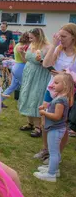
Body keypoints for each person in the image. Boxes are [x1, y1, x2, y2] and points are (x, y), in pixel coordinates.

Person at [34, 23, 76, 163]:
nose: (61, 39)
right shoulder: (58, 49)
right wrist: (53, 45)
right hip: (51, 89)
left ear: (73, 37)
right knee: (45, 119)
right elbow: (46, 64)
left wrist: (65, 75)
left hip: (66, 94)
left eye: (64, 36)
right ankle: (46, 149)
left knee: (61, 124)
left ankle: (55, 154)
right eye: (59, 36)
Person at [34, 73, 74, 182]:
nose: (53, 85)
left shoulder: (61, 100)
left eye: (56, 83)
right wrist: (46, 107)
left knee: (53, 151)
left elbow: (57, 116)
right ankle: (54, 169)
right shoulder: (60, 97)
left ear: (65, 85)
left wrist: (43, 112)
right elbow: (54, 108)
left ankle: (51, 174)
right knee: (53, 151)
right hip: (55, 128)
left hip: (56, 129)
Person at [19, 28, 51, 137]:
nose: (30, 39)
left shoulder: (47, 47)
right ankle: (30, 123)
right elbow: (26, 60)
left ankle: (39, 127)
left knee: (35, 98)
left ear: (38, 36)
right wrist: (22, 53)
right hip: (29, 74)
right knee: (26, 96)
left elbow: (48, 65)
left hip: (40, 76)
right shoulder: (32, 45)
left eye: (31, 37)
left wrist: (41, 60)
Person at [2, 32, 29, 99]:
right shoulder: (22, 46)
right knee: (25, 87)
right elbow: (24, 60)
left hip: (16, 66)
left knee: (12, 87)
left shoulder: (18, 45)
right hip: (21, 67)